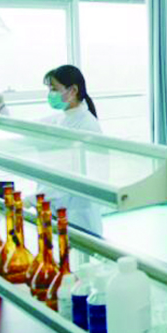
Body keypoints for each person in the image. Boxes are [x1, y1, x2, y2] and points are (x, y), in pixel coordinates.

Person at [26, 65, 103, 235]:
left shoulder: (87, 126)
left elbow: (69, 178)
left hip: (77, 215)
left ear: (73, 90)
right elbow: (26, 130)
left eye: (54, 89)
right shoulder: (61, 118)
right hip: (57, 209)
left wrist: (31, 200)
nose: (50, 94)